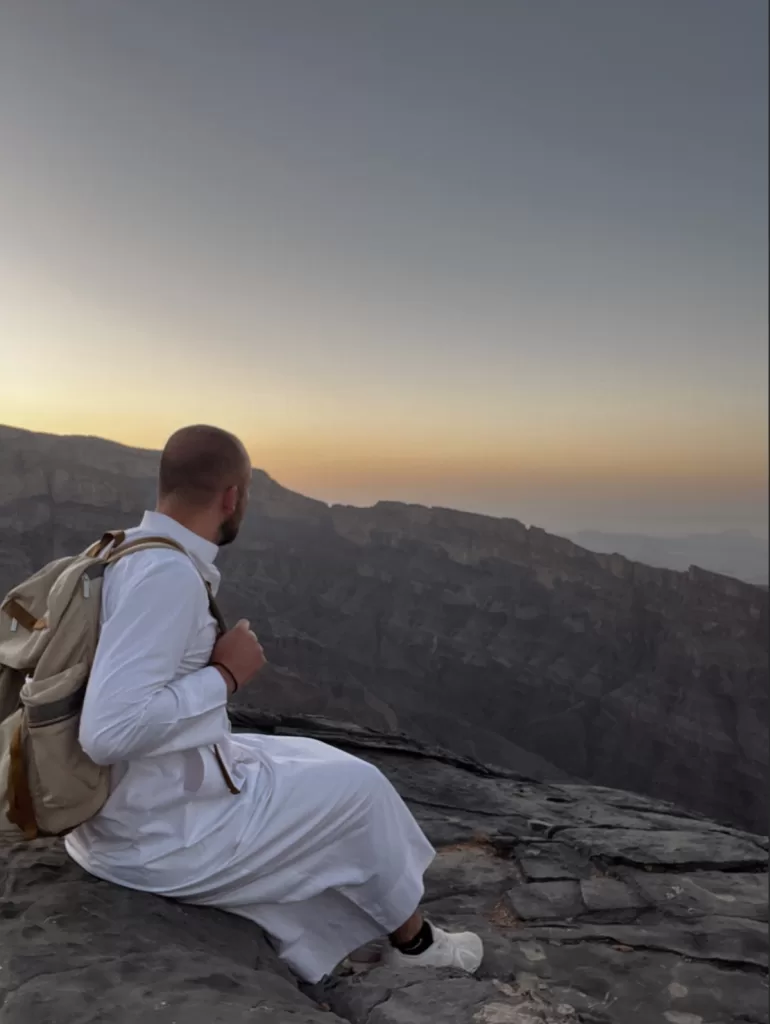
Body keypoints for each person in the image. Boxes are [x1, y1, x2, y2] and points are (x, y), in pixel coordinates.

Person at [64, 425, 483, 983]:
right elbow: (108, 731)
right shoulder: (166, 574)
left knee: (311, 757)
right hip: (153, 836)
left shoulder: (127, 549)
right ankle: (417, 944)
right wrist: (226, 676)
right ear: (232, 497)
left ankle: (350, 923)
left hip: (130, 806)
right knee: (360, 791)